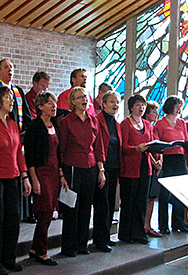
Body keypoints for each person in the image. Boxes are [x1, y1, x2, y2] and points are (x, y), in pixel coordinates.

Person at [0, 86, 32, 275]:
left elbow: (19, 152)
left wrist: (25, 176)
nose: (12, 101)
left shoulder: (12, 124)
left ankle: (9, 258)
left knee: (12, 220)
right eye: (8, 98)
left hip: (13, 178)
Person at [59, 87, 105, 256]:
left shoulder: (94, 121)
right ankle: (69, 246)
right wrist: (61, 174)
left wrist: (101, 170)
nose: (84, 100)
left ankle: (82, 244)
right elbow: (61, 149)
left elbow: (99, 148)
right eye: (80, 98)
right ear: (73, 102)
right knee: (72, 207)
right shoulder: (66, 122)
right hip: (72, 166)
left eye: (85, 97)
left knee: (86, 207)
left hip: (91, 167)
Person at [24, 92, 65, 265]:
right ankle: (41, 251)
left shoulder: (55, 124)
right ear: (40, 106)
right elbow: (30, 156)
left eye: (54, 103)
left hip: (55, 171)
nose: (54, 106)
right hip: (41, 172)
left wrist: (62, 175)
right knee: (46, 210)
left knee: (49, 211)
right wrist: (34, 179)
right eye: (49, 103)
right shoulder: (35, 126)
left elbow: (58, 152)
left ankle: (35, 248)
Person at [118, 94, 156, 244]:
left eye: (143, 105)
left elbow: (151, 142)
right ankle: (126, 233)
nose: (141, 108)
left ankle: (139, 233)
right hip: (130, 167)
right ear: (131, 107)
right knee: (129, 202)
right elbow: (123, 146)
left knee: (141, 201)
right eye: (138, 105)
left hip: (145, 167)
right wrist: (136, 148)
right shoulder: (125, 124)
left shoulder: (147, 124)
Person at [154, 96, 188, 234]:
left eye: (180, 106)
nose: (179, 109)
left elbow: (185, 142)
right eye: (177, 106)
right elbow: (157, 142)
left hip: (180, 158)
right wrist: (167, 148)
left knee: (179, 192)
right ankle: (163, 225)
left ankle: (178, 222)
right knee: (165, 192)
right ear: (170, 107)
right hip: (167, 158)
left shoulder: (182, 122)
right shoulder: (161, 123)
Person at [91, 90, 122, 252]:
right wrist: (100, 168)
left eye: (117, 102)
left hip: (114, 167)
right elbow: (97, 145)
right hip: (101, 167)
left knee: (111, 203)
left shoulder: (116, 123)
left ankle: (106, 236)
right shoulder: (97, 120)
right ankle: (100, 239)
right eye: (111, 101)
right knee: (102, 204)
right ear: (103, 104)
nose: (115, 105)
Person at [0, 59, 32, 132]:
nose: (10, 69)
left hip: (17, 134)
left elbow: (26, 115)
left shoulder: (19, 91)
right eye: (6, 67)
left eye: (11, 67)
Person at [143, 101, 162, 237]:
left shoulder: (154, 127)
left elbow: (159, 145)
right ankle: (143, 225)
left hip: (157, 164)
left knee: (152, 197)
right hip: (148, 164)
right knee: (146, 197)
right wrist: (155, 162)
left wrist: (160, 160)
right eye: (154, 112)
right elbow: (146, 147)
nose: (157, 114)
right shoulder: (144, 126)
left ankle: (148, 225)